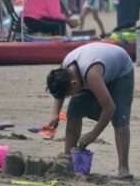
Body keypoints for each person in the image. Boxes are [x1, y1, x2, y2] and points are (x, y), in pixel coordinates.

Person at [45, 43, 134, 178]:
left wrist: (93, 134)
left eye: (69, 93)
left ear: (74, 84)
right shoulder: (63, 70)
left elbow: (109, 108)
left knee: (119, 119)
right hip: (95, 67)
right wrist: (55, 114)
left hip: (121, 71)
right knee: (73, 111)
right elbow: (60, 91)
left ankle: (123, 167)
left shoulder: (92, 76)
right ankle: (68, 159)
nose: (69, 96)